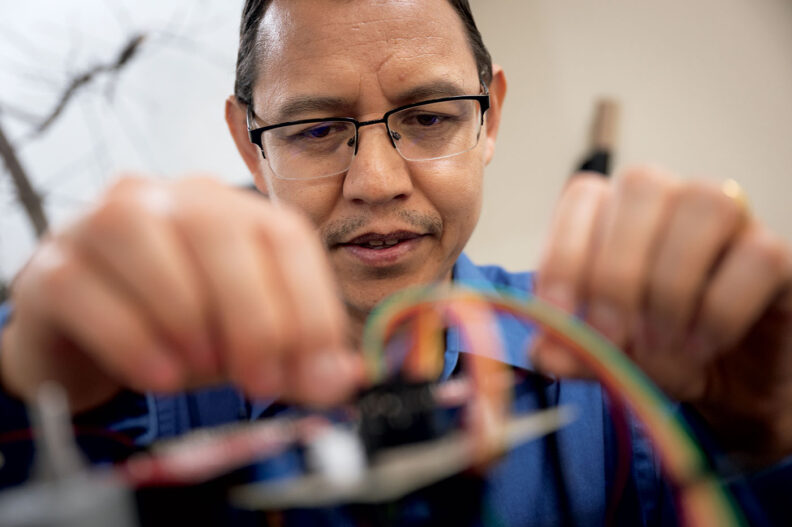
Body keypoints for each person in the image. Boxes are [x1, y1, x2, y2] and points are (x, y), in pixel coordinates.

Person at [1, 0, 791, 524]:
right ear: (249, 145)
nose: (377, 182)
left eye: (431, 117)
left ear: (490, 121)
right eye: (315, 130)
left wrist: (774, 433)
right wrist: (20, 382)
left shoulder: (628, 375)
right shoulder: (139, 390)